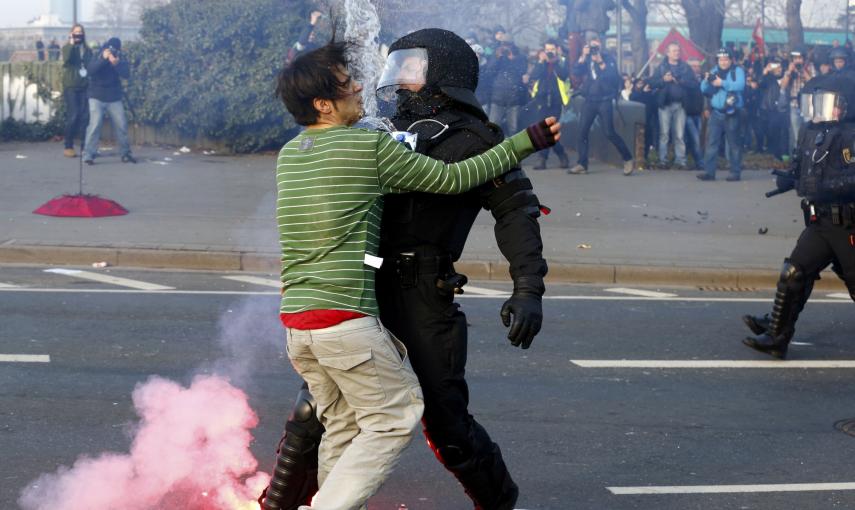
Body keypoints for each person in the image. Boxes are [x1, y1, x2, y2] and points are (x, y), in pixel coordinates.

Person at [263, 33, 560, 510]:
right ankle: (277, 504)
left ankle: (499, 504)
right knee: (317, 413)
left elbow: (515, 211)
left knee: (445, 425)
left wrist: (528, 286)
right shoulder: (371, 132)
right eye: (395, 65)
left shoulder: (474, 138)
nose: (393, 79)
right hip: (359, 291)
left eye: (411, 66)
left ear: (445, 73)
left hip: (421, 292)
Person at [742, 72, 855, 358]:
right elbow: (800, 164)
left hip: (846, 223)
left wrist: (818, 186)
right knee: (794, 272)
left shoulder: (850, 136)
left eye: (832, 103)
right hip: (820, 221)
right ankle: (777, 335)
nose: (824, 109)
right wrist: (790, 177)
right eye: (819, 103)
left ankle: (777, 326)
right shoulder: (811, 131)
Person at [569, 37, 634, 175]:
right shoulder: (587, 59)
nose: (593, 50)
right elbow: (575, 72)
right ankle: (582, 164)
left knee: (609, 132)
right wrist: (583, 56)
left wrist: (601, 62)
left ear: (601, 47)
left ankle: (627, 158)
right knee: (582, 132)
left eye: (596, 47)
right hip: (590, 100)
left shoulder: (608, 59)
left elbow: (614, 77)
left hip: (604, 100)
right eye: (591, 46)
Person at [82, 37, 135, 165]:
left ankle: (126, 153)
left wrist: (116, 64)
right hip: (96, 96)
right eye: (110, 48)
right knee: (94, 125)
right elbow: (90, 71)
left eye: (115, 49)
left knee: (121, 125)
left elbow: (126, 74)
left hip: (114, 97)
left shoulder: (119, 58)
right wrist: (103, 59)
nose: (112, 51)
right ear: (105, 47)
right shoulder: (98, 55)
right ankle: (89, 155)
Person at [697, 48, 745, 181]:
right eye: (720, 60)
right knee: (711, 143)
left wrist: (722, 83)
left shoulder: (737, 71)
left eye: (725, 59)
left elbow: (740, 85)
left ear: (731, 60)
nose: (723, 62)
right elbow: (703, 89)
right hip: (716, 112)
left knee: (733, 144)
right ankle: (709, 172)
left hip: (732, 112)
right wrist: (707, 80)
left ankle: (735, 172)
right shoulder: (714, 71)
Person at [648, 42, 696, 169]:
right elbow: (652, 82)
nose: (677, 53)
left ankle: (680, 161)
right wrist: (663, 80)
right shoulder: (662, 67)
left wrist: (680, 81)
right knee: (664, 134)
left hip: (681, 105)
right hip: (665, 105)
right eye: (674, 51)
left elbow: (693, 84)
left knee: (680, 135)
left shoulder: (685, 67)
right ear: (667, 53)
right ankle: (662, 160)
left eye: (678, 50)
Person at [529, 38, 571, 169]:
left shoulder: (562, 61)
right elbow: (534, 76)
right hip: (541, 100)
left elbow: (564, 75)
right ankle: (550, 157)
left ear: (557, 49)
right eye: (547, 50)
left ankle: (551, 157)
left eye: (552, 50)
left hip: (556, 101)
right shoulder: (541, 62)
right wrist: (542, 62)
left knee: (551, 130)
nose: (550, 52)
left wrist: (555, 61)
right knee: (543, 131)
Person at [485, 30, 527, 135]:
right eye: (503, 44)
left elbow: (522, 72)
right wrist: (496, 58)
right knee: (493, 128)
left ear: (512, 45)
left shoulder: (519, 56)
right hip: (497, 97)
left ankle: (512, 151)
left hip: (513, 99)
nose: (505, 47)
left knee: (513, 129)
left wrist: (512, 58)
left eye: (508, 44)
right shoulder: (496, 54)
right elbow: (489, 72)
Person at [61, 24, 92, 158]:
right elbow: (67, 61)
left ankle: (85, 147)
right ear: (71, 34)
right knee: (73, 116)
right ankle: (68, 146)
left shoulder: (87, 49)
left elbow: (90, 65)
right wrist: (71, 44)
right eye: (75, 32)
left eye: (80, 32)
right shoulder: (67, 48)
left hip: (84, 85)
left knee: (85, 117)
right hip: (71, 86)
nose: (78, 34)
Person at [783, 48, 814, 153]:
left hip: (807, 104)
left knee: (809, 133)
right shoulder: (790, 69)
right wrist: (789, 72)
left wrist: (804, 71)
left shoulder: (810, 67)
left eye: (799, 58)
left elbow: (814, 83)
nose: (797, 61)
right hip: (794, 104)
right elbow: (783, 86)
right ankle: (797, 160)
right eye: (795, 58)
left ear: (804, 59)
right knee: (796, 135)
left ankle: (809, 158)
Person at [758, 57, 789, 160]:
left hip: (785, 108)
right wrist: (765, 72)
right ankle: (776, 153)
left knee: (785, 132)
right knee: (773, 131)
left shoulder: (787, 75)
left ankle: (784, 153)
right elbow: (760, 84)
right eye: (776, 66)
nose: (778, 69)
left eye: (780, 66)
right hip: (772, 109)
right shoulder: (769, 78)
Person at [684, 57, 705, 169]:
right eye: (694, 66)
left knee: (695, 138)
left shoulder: (702, 79)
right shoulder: (686, 79)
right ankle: (700, 162)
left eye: (698, 66)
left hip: (698, 112)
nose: (697, 68)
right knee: (695, 138)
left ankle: (691, 160)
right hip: (688, 113)